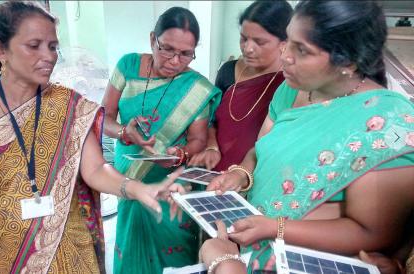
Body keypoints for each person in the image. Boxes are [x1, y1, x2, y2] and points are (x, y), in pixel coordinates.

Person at [0, 2, 183, 273]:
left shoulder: (70, 105)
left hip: (70, 246)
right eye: (34, 45)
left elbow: (96, 169)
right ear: (0, 49)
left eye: (52, 46)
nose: (49, 56)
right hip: (3, 253)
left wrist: (138, 188)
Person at [208, 0, 414, 272]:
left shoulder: (390, 122)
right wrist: (241, 174)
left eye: (301, 50)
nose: (285, 57)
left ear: (348, 61)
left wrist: (275, 228)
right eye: (288, 42)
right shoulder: (290, 90)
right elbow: (259, 150)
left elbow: (371, 232)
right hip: (253, 243)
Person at [101, 7, 222, 273]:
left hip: (171, 185)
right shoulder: (128, 66)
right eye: (167, 49)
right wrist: (123, 132)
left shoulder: (196, 88)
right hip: (129, 175)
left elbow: (198, 140)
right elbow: (104, 118)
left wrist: (178, 155)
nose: (176, 61)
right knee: (133, 246)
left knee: (173, 256)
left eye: (186, 54)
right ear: (152, 39)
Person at [189, 1, 292, 171]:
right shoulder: (228, 71)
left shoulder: (290, 84)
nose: (248, 48)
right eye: (244, 38)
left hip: (255, 177)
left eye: (259, 42)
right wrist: (211, 147)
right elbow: (212, 119)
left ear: (284, 42)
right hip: (213, 171)